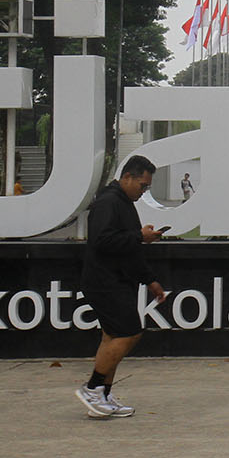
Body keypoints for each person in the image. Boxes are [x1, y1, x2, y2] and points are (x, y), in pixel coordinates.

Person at [75, 155, 168, 419]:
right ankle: (92, 388)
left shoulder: (123, 203)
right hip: (104, 281)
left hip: (115, 280)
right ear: (127, 177)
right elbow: (102, 241)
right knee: (129, 332)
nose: (144, 191)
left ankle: (102, 394)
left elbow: (127, 248)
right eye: (142, 185)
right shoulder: (108, 202)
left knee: (112, 337)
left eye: (147, 186)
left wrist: (149, 279)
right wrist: (139, 236)